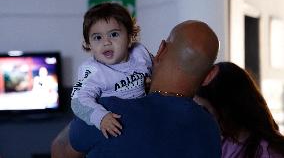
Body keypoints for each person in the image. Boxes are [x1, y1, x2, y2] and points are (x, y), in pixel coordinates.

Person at [51, 20, 221, 158]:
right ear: (210, 75)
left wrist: (93, 98)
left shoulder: (109, 112)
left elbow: (59, 150)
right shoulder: (210, 128)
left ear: (161, 50)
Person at [71, 2, 152, 138]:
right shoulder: (92, 70)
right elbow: (78, 100)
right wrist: (100, 117)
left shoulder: (140, 53)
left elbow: (160, 69)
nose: (106, 42)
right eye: (97, 37)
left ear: (130, 38)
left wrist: (152, 79)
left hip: (144, 116)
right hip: (116, 125)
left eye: (114, 34)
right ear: (89, 44)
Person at [195, 62, 284, 158]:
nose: (199, 116)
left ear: (226, 110)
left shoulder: (268, 152)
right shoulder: (224, 142)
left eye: (204, 110)